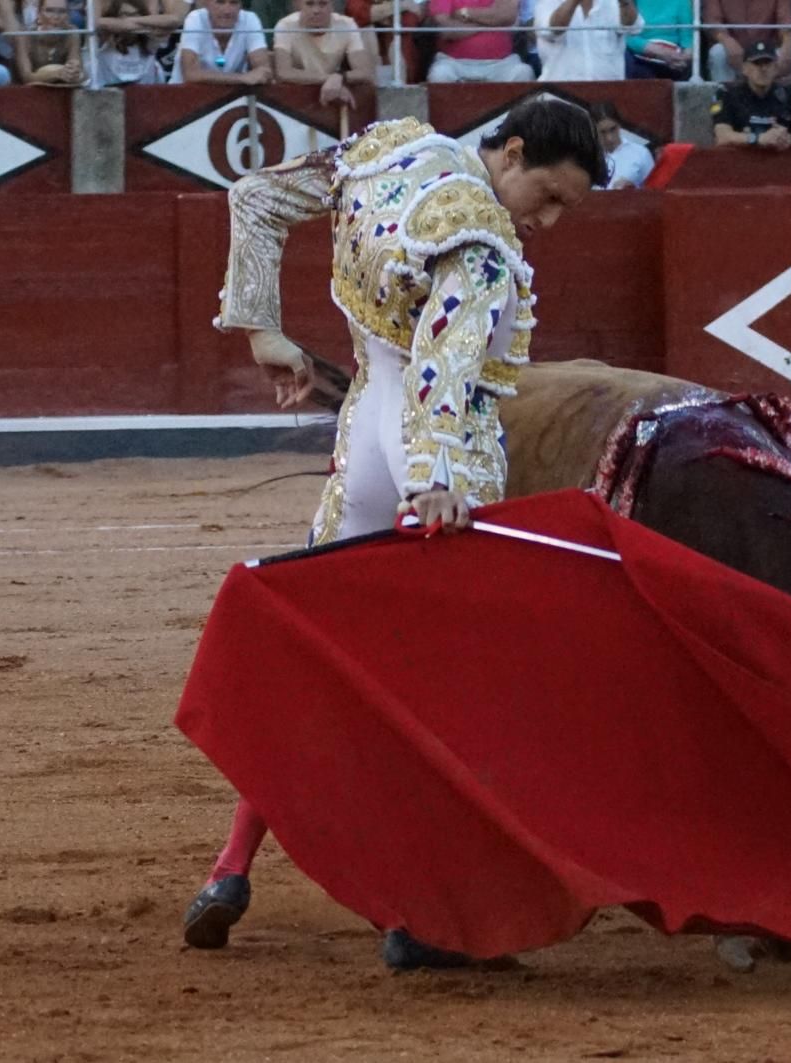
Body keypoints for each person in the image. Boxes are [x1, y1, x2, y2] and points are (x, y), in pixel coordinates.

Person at [184, 98, 605, 971]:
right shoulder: (481, 242)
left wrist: (264, 330)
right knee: (454, 691)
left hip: (361, 438)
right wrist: (439, 482)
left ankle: (230, 869)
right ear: (512, 149)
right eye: (548, 194)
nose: (549, 220)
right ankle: (423, 917)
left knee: (322, 656)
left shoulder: (389, 146)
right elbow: (445, 368)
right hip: (422, 444)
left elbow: (255, 197)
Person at [710, 38, 791, 150]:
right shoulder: (726, 94)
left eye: (768, 63)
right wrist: (758, 139)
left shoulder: (790, 92)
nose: (763, 69)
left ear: (775, 68)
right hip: (742, 161)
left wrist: (788, 138)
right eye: (757, 63)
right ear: (745, 69)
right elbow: (722, 137)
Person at [272, 0, 375, 107]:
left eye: (323, 4)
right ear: (298, 5)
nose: (316, 10)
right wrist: (331, 79)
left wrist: (340, 77)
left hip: (333, 94)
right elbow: (283, 72)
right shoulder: (285, 25)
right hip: (296, 94)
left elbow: (365, 71)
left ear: (332, 5)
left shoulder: (346, 24)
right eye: (309, 4)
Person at [424, 0, 535, 81]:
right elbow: (447, 30)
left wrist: (466, 13)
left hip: (502, 64)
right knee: (439, 75)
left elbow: (507, 16)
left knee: (524, 73)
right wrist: (492, 22)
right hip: (454, 63)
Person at [535, 0, 642, 80]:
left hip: (608, 94)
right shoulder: (547, 3)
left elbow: (633, 27)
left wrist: (624, 2)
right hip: (560, 97)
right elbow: (553, 29)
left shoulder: (611, 3)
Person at [172, 0, 271, 82]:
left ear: (241, 5)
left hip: (231, 99)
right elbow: (190, 74)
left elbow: (264, 70)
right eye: (220, 2)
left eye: (234, 3)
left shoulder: (250, 19)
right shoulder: (195, 18)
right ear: (206, 4)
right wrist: (241, 78)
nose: (227, 11)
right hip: (183, 96)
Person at [702, 0, 791, 80]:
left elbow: (786, 21)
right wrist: (727, 40)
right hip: (735, 53)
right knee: (718, 52)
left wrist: (787, 44)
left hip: (768, 53)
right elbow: (712, 21)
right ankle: (723, 99)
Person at [88, 0, 165, 85]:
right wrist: (126, 25)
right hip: (109, 93)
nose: (130, 19)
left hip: (144, 93)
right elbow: (96, 22)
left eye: (135, 14)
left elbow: (173, 20)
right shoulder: (105, 38)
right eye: (125, 15)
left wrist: (131, 23)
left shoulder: (150, 40)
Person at [13, 0, 83, 83]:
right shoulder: (24, 36)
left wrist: (74, 72)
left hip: (61, 89)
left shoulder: (72, 33)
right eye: (49, 10)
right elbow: (26, 76)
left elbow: (76, 67)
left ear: (68, 16)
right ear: (38, 14)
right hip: (26, 91)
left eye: (62, 11)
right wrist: (56, 73)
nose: (56, 17)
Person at [590, 100, 653, 187]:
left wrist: (632, 187)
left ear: (619, 125)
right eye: (602, 132)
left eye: (613, 129)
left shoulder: (641, 154)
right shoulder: (587, 157)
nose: (609, 138)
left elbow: (653, 192)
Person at [623, 0, 692, 78]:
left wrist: (684, 58)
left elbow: (687, 40)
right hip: (639, 55)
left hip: (672, 60)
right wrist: (658, 51)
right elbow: (624, 35)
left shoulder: (682, 2)